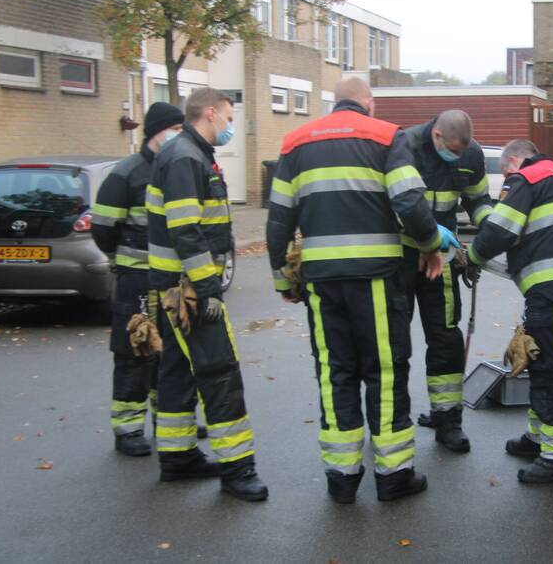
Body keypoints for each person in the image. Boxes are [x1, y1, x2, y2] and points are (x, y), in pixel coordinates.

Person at [266, 77, 443, 504]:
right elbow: (409, 202)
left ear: (335, 102)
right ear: (368, 102)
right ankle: (393, 476)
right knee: (385, 372)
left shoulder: (295, 143)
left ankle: (342, 478)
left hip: (322, 282)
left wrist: (283, 278)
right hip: (376, 277)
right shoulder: (386, 137)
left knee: (334, 372)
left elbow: (279, 219)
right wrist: (430, 245)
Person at [147, 87, 267, 501]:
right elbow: (186, 230)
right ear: (210, 113)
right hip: (187, 289)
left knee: (178, 369)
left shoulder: (189, 153)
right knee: (219, 372)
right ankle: (238, 469)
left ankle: (178, 458)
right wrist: (208, 288)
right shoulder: (185, 157)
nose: (231, 125)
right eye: (229, 118)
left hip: (176, 285)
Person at [467, 140, 553, 483]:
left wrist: (472, 257)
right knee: (542, 360)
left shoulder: (527, 178)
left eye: (506, 172)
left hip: (549, 288)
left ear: (513, 161)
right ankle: (539, 437)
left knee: (549, 367)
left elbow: (500, 230)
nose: (507, 180)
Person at [92, 102, 184, 457]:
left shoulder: (178, 167)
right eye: (175, 129)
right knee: (136, 350)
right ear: (156, 131)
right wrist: (126, 260)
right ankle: (128, 429)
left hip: (173, 279)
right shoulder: (127, 173)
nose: (179, 136)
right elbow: (104, 228)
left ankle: (169, 419)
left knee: (171, 352)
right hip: (138, 278)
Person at [401, 110, 493, 452]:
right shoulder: (405, 146)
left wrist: (491, 225)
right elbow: (389, 202)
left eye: (462, 151)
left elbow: (477, 199)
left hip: (442, 257)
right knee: (393, 341)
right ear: (437, 136)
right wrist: (427, 231)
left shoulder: (471, 154)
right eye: (452, 151)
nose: (457, 157)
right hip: (401, 255)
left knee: (445, 337)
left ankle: (447, 420)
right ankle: (391, 420)